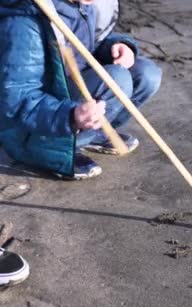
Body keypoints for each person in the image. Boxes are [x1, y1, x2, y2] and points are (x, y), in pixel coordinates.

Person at [0, 0, 162, 180]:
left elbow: (88, 46)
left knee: (146, 74)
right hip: (32, 127)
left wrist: (115, 46)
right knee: (116, 79)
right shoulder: (25, 23)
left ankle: (90, 135)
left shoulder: (81, 5)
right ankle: (49, 149)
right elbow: (16, 99)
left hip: (69, 91)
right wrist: (70, 116)